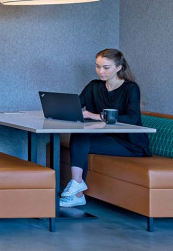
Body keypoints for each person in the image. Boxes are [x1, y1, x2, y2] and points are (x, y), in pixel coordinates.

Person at [61, 48, 150, 208]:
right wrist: (60, 110)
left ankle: (77, 188)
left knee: (82, 139)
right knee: (80, 135)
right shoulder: (94, 86)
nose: (100, 71)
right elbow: (76, 106)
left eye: (106, 67)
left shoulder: (130, 88)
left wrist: (97, 116)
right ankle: (78, 188)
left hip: (129, 144)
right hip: (108, 139)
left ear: (118, 67)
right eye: (97, 66)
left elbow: (132, 118)